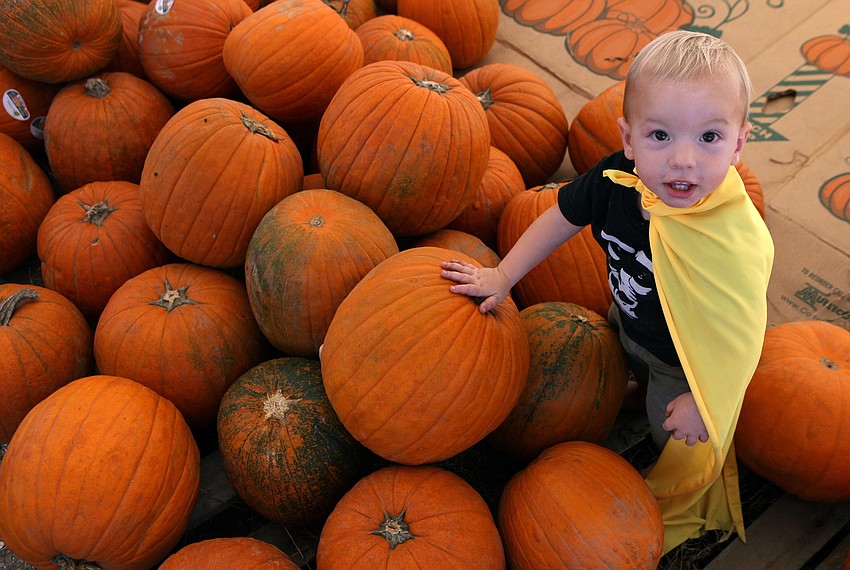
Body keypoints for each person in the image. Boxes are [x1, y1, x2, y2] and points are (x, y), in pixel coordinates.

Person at [441, 30, 774, 553]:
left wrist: (705, 401)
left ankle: (671, 477)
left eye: (708, 138)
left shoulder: (734, 239)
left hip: (681, 362)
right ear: (628, 137)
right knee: (625, 358)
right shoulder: (617, 179)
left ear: (738, 143)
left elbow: (745, 333)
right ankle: (637, 391)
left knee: (676, 432)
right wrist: (503, 276)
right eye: (660, 135)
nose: (683, 160)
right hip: (628, 315)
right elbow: (559, 217)